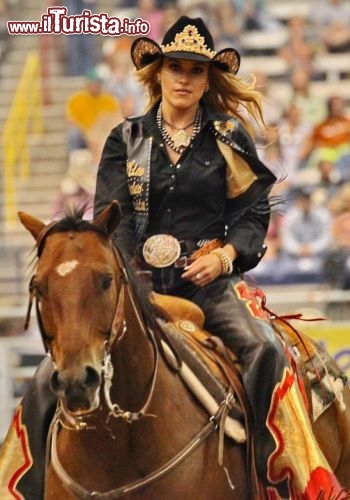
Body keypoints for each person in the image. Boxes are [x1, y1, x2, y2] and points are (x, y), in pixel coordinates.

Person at [94, 15, 344, 497]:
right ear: (158, 73)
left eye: (195, 70)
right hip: (136, 288)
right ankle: (31, 477)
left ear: (208, 78)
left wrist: (226, 257)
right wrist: (131, 276)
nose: (184, 78)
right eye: (175, 68)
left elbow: (252, 215)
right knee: (61, 365)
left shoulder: (228, 135)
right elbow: (113, 220)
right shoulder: (123, 140)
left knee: (265, 349)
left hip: (208, 285)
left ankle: (263, 466)